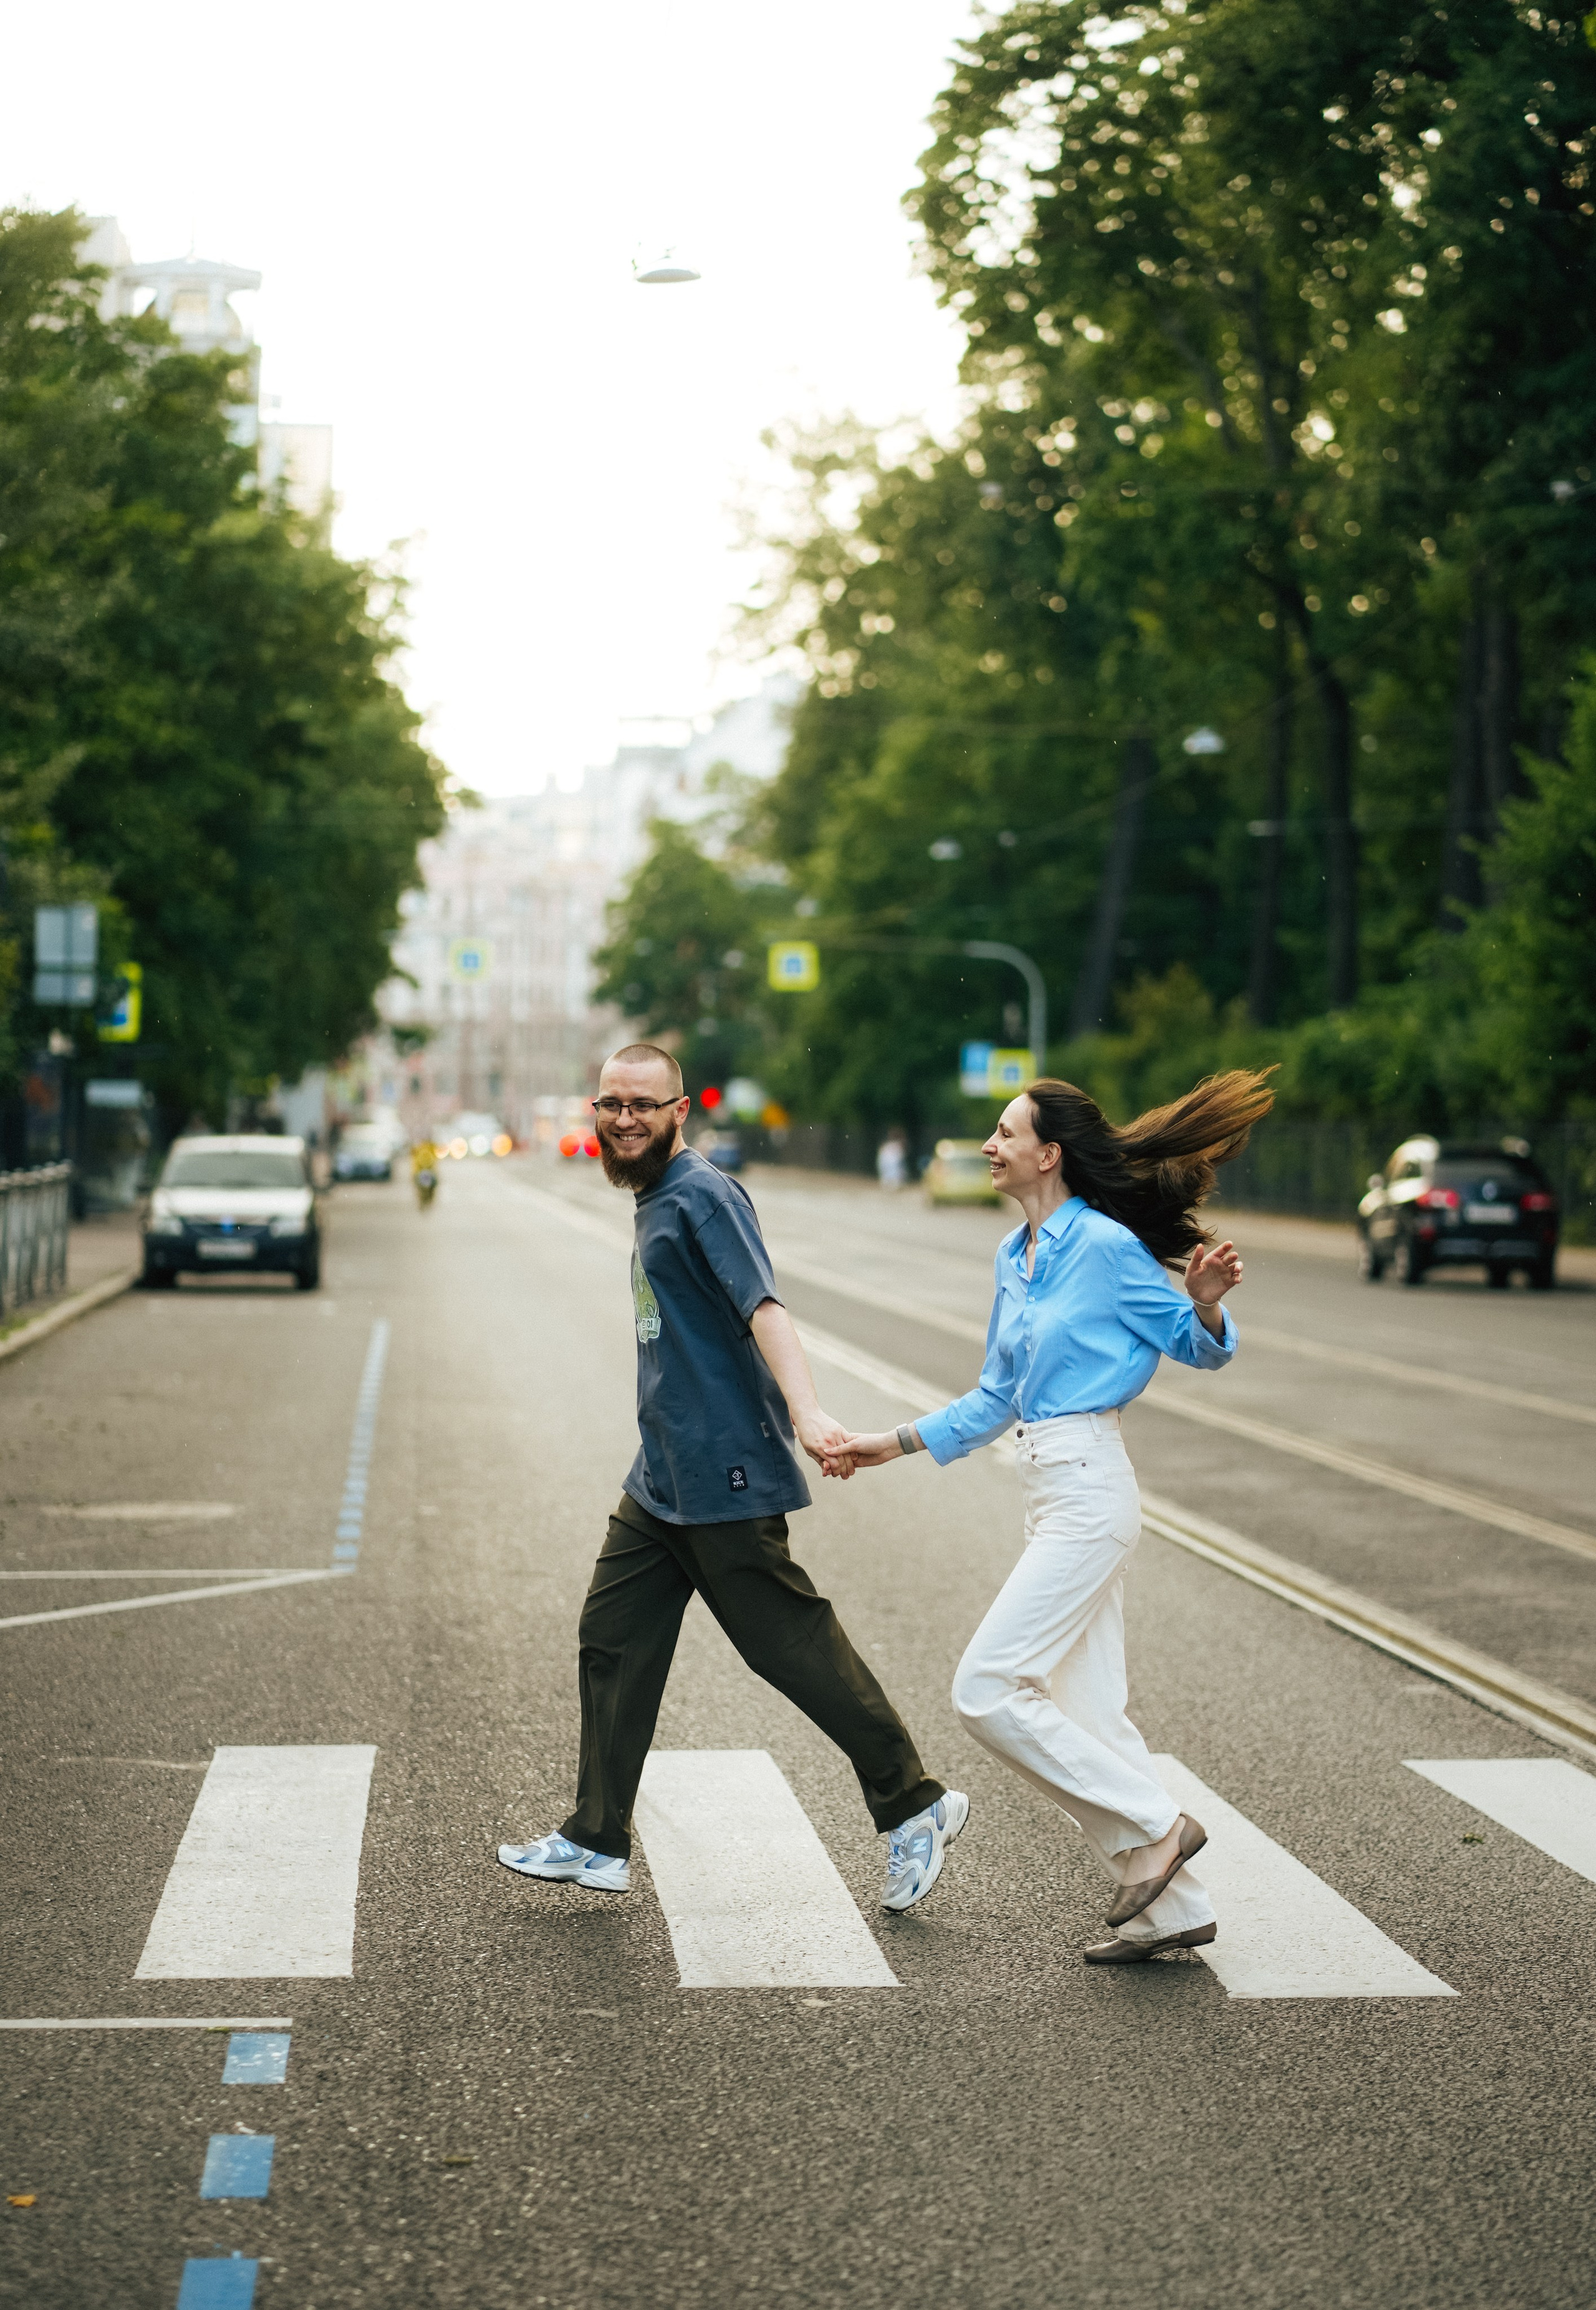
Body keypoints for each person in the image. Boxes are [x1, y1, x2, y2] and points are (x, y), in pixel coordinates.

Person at [498, 1044, 967, 1911]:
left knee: (788, 1644)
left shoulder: (705, 1195)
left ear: (681, 1112)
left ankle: (915, 1802)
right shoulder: (652, 1197)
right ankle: (597, 1838)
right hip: (663, 1473)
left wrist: (808, 1413)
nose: (624, 1117)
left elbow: (765, 1307)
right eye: (611, 1103)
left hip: (723, 1467)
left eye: (644, 1104)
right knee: (611, 1635)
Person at [839, 1069, 1274, 1965]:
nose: (989, 1147)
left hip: (1091, 1488)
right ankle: (1173, 1909)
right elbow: (998, 1392)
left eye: (1004, 1134)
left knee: (987, 1689)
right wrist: (893, 1441)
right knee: (1094, 1713)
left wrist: (1206, 1302)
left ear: (1049, 1153)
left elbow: (1195, 1346)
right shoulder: (1015, 1255)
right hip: (1047, 1487)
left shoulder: (1108, 1248)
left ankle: (1160, 1829)